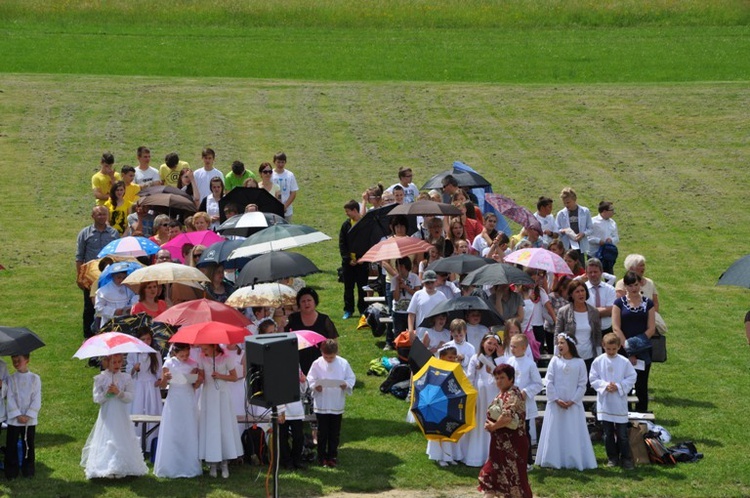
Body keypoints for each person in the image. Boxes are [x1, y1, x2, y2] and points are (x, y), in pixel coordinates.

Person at [81, 353, 148, 479]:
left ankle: (125, 466)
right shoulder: (100, 379)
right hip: (107, 413)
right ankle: (105, 466)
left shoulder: (126, 378)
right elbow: (96, 399)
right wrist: (106, 394)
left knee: (121, 435)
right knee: (107, 435)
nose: (117, 365)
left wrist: (119, 393)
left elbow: (130, 397)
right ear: (107, 363)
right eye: (114, 362)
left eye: (119, 362)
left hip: (121, 413)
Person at [534, 334, 597, 470]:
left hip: (573, 405)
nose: (560, 346)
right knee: (555, 431)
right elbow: (549, 381)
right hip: (556, 404)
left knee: (572, 431)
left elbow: (582, 384)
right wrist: (556, 399)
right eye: (558, 343)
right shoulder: (555, 361)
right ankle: (553, 459)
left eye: (562, 343)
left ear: (570, 345)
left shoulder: (579, 363)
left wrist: (573, 400)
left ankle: (573, 459)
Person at [477, 363, 532, 498]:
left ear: (511, 379)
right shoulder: (502, 394)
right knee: (490, 477)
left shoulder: (513, 394)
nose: (499, 381)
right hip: (499, 444)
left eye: (502, 377)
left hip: (513, 445)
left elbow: (507, 417)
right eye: (496, 378)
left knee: (515, 481)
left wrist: (493, 427)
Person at [153, 343, 202, 478]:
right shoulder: (168, 363)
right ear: (175, 353)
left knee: (188, 428)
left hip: (187, 397)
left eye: (187, 355)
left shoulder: (193, 363)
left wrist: (195, 378)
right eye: (182, 355)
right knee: (173, 429)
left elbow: (196, 385)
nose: (185, 357)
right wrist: (166, 379)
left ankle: (188, 464)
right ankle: (171, 463)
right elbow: (162, 386)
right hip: (174, 398)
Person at [589, 333, 637, 469]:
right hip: (605, 402)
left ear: (618, 347)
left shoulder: (624, 361)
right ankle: (612, 457)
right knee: (608, 433)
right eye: (608, 349)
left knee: (622, 434)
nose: (611, 352)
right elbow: (593, 378)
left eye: (613, 349)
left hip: (619, 402)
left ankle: (626, 458)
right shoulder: (598, 361)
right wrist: (605, 386)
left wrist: (619, 386)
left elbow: (632, 377)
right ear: (603, 346)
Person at [197, 343, 244, 478]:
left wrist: (220, 376)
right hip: (208, 395)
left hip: (222, 395)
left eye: (205, 348)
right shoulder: (202, 358)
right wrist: (197, 378)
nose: (203, 350)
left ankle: (224, 462)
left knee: (224, 426)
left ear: (214, 347)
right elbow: (201, 376)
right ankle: (212, 462)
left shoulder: (226, 358)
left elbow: (234, 377)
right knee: (210, 427)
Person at [307, 340, 355, 468]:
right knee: (322, 432)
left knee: (334, 432)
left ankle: (332, 456)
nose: (328, 359)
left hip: (336, 403)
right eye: (326, 357)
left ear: (336, 353)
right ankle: (322, 456)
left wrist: (346, 384)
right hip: (322, 403)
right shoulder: (317, 363)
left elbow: (351, 378)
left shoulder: (343, 363)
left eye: (331, 357)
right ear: (321, 353)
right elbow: (310, 378)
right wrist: (315, 386)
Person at [612, 271, 656, 413]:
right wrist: (628, 348)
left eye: (636, 285)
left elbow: (651, 328)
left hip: (643, 350)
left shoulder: (647, 303)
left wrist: (637, 345)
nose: (634, 288)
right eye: (630, 286)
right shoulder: (619, 303)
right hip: (624, 350)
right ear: (625, 286)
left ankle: (642, 420)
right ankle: (625, 418)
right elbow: (616, 327)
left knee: (642, 386)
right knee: (625, 385)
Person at [76, 206, 120, 338]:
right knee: (89, 307)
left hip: (109, 275)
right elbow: (79, 257)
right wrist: (79, 277)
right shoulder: (85, 233)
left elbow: (118, 255)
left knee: (108, 303)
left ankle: (107, 331)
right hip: (91, 277)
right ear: (93, 216)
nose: (102, 217)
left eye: (104, 214)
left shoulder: (114, 234)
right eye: (99, 214)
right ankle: (88, 335)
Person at [462, 335, 502, 467]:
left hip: (492, 395)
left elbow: (502, 381)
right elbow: (470, 378)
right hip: (479, 395)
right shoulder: (475, 358)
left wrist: (492, 373)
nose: (492, 346)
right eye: (490, 343)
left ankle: (490, 455)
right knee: (479, 421)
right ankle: (476, 455)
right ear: (483, 343)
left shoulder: (498, 361)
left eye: (495, 344)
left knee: (491, 421)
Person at [505, 334, 543, 469]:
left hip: (524, 404)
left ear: (524, 348)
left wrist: (526, 391)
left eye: (515, 347)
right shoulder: (509, 361)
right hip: (510, 402)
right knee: (510, 431)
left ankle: (527, 461)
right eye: (511, 346)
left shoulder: (530, 364)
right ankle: (512, 459)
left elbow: (538, 384)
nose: (512, 349)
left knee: (524, 432)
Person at [426, 345, 464, 467]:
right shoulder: (435, 369)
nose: (452, 359)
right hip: (438, 403)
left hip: (451, 403)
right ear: (442, 357)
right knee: (439, 430)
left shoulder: (456, 368)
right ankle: (438, 456)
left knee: (450, 428)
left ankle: (450, 455)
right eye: (449, 357)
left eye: (454, 357)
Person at [4, 354, 41, 479]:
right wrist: (18, 414)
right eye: (13, 361)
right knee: (11, 444)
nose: (16, 363)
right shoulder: (11, 379)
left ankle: (28, 470)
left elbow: (36, 398)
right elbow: (9, 397)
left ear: (27, 360)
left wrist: (29, 414)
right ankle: (11, 471)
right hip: (14, 420)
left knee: (29, 444)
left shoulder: (35, 379)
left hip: (29, 420)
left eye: (18, 360)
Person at [286, 287, 339, 375]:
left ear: (315, 302)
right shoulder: (293, 319)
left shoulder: (324, 319)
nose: (306, 303)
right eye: (303, 301)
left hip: (320, 362)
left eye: (309, 300)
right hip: (297, 362)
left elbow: (334, 343)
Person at [554, 279, 601, 376]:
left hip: (589, 357)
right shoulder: (563, 312)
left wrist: (599, 357)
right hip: (570, 357)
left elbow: (597, 335)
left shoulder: (594, 312)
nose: (581, 294)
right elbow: (557, 334)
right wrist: (556, 356)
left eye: (582, 290)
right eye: (577, 291)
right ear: (571, 294)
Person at [126, 329, 163, 451]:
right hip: (138, 385)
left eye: (148, 339)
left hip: (151, 386)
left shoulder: (155, 353)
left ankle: (150, 443)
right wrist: (134, 368)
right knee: (137, 409)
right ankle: (136, 444)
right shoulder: (133, 353)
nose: (146, 342)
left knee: (151, 410)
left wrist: (159, 381)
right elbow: (128, 373)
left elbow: (159, 372)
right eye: (143, 339)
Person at [339, 200, 370, 320]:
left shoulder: (364, 225)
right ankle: (348, 310)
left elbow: (368, 242)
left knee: (362, 288)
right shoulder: (346, 225)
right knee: (348, 288)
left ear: (355, 210)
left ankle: (363, 309)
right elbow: (342, 244)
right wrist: (347, 259)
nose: (346, 214)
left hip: (362, 263)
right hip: (348, 264)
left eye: (348, 211)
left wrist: (364, 258)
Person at [406, 270, 448, 342]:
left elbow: (446, 314)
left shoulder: (441, 296)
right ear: (423, 283)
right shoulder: (418, 295)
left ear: (436, 281)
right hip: (421, 332)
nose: (430, 285)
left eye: (432, 282)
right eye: (427, 283)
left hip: (437, 333)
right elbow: (411, 314)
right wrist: (410, 330)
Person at [555, 187, 593, 265]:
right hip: (567, 246)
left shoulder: (585, 211)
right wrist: (563, 231)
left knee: (580, 266)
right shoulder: (561, 214)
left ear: (574, 199)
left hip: (580, 245)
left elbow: (590, 228)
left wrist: (583, 234)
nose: (566, 205)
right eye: (564, 203)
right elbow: (556, 230)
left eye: (568, 202)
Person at [391, 257, 421, 341]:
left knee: (413, 335)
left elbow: (417, 294)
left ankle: (412, 352)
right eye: (398, 266)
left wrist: (405, 287)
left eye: (401, 267)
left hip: (411, 311)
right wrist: (397, 284)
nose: (398, 269)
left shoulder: (414, 277)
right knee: (399, 336)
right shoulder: (394, 279)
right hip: (398, 311)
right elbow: (396, 298)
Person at [584, 258, 617, 333]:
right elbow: (581, 311)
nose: (593, 275)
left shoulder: (610, 289)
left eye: (595, 272)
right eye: (590, 272)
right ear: (586, 273)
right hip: (588, 330)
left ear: (601, 272)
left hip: (607, 330)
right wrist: (603, 310)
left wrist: (589, 311)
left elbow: (611, 311)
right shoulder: (582, 290)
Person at [588, 201, 619, 272]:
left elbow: (616, 238)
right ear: (604, 211)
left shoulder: (613, 223)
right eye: (611, 210)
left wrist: (611, 240)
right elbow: (587, 237)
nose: (613, 212)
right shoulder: (593, 221)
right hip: (594, 254)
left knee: (609, 277)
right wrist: (598, 241)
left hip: (607, 255)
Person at [271, 151, 299, 221]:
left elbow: (293, 192)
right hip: (273, 210)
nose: (280, 164)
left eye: (282, 162)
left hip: (287, 211)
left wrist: (285, 206)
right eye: (278, 162)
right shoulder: (270, 174)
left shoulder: (290, 175)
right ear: (274, 162)